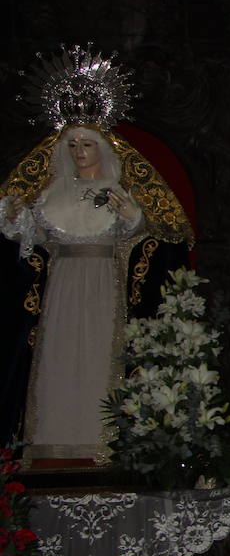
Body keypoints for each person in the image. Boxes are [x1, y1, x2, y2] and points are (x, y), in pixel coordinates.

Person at [1, 122, 192, 459]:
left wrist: (134, 217)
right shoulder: (52, 192)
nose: (79, 152)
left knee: (100, 352)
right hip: (62, 283)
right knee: (58, 353)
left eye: (86, 145)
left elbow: (139, 237)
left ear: (101, 149)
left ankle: (100, 439)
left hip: (103, 281)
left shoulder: (116, 190)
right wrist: (18, 220)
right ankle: (54, 443)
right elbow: (36, 240)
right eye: (72, 145)